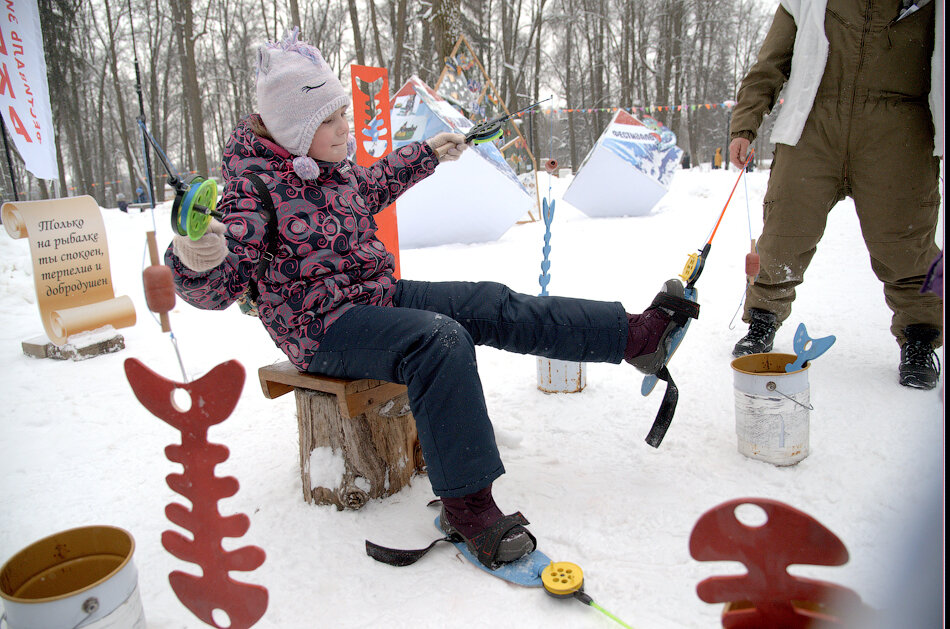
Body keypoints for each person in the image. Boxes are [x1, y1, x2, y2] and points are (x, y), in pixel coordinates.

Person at [164, 29, 698, 568]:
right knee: (438, 341)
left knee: (487, 302)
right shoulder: (249, 188)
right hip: (320, 328)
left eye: (342, 114)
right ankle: (468, 507)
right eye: (328, 121)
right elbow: (219, 287)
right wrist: (195, 258)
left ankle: (637, 338)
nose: (343, 129)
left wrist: (426, 153)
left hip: (375, 296)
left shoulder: (329, 163)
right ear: (291, 129)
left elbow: (366, 191)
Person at [728, 0, 942, 390]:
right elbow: (769, 64)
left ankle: (920, 336)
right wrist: (744, 125)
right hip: (813, 122)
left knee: (907, 243)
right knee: (783, 233)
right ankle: (762, 320)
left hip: (901, 130)